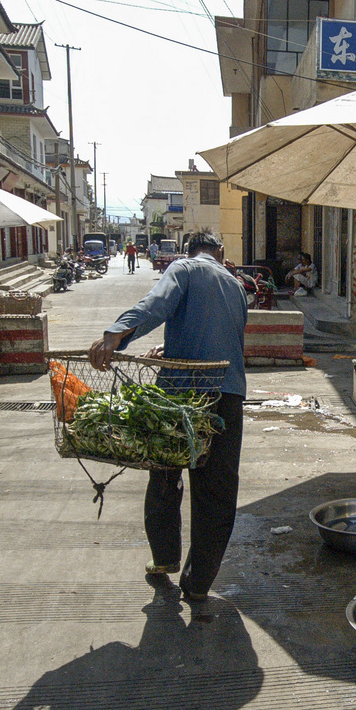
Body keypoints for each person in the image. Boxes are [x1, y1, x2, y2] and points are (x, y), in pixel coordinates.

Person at [89, 230, 247, 606]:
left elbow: (156, 304)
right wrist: (171, 346)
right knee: (217, 494)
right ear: (221, 252)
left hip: (183, 397)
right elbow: (219, 336)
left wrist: (115, 335)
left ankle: (164, 559)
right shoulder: (237, 287)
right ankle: (198, 583)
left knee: (163, 473)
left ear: (188, 251)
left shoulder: (184, 267)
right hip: (227, 398)